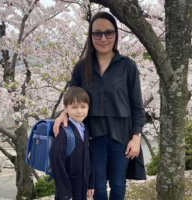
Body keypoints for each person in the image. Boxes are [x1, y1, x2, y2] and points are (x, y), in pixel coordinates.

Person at [53, 12, 146, 200]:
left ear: (115, 35)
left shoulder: (128, 66)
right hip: (92, 137)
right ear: (91, 36)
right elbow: (72, 97)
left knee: (118, 184)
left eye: (108, 33)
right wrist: (64, 114)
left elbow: (137, 105)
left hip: (121, 136)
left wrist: (136, 137)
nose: (103, 38)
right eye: (97, 33)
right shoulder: (81, 67)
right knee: (96, 187)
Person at [49, 86, 95, 200]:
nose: (79, 111)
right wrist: (66, 194)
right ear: (65, 108)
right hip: (68, 190)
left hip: (82, 187)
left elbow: (89, 158)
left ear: (88, 108)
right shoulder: (63, 132)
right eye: (74, 107)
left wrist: (90, 183)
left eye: (83, 107)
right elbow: (56, 161)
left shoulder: (85, 129)